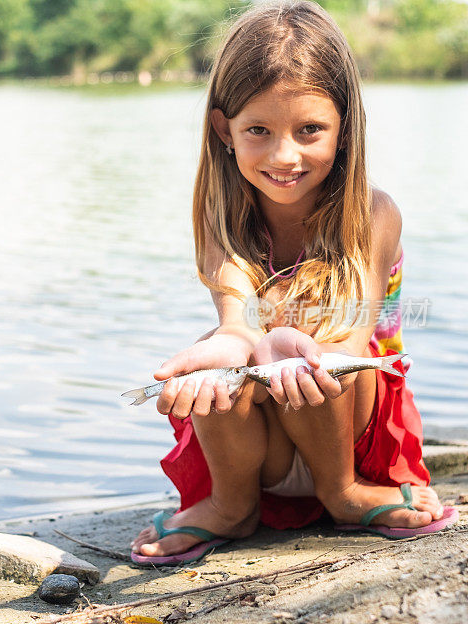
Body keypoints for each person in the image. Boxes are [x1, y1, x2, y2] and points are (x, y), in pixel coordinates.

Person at [130, 0, 457, 566]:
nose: (285, 155)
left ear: (344, 128)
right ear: (223, 129)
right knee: (217, 363)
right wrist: (224, 351)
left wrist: (287, 350)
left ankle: (346, 495)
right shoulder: (221, 219)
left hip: (347, 430)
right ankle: (232, 506)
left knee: (319, 358)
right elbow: (238, 325)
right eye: (258, 129)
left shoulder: (374, 214)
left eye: (310, 130)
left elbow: (351, 347)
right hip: (262, 454)